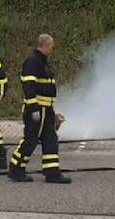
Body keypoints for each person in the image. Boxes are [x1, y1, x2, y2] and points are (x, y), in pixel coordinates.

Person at [9, 33, 71, 184]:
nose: (52, 49)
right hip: (37, 110)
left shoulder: (42, 63)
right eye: (51, 46)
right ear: (46, 45)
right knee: (30, 140)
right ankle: (15, 170)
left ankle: (52, 173)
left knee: (51, 140)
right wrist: (34, 109)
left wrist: (52, 113)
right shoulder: (32, 62)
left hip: (46, 110)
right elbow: (28, 87)